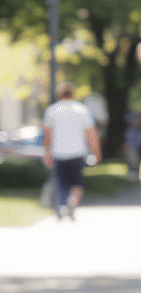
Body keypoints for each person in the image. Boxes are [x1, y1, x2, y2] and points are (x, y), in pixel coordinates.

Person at [43, 82, 102, 221]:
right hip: (77, 153)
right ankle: (72, 203)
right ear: (73, 93)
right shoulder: (82, 110)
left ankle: (63, 205)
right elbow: (91, 134)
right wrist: (96, 153)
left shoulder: (52, 110)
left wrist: (47, 153)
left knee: (61, 183)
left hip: (58, 153)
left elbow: (47, 135)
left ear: (59, 94)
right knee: (77, 184)